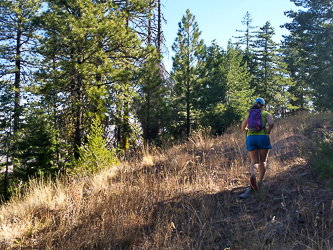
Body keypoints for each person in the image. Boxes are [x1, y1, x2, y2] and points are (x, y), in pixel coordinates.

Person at [241, 98, 274, 191]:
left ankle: (252, 176)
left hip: (251, 138)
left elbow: (242, 128)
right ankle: (260, 182)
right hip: (263, 137)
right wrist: (269, 130)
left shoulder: (249, 114)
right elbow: (271, 123)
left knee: (254, 161)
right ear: (263, 106)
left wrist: (248, 130)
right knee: (262, 161)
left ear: (255, 104)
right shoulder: (265, 113)